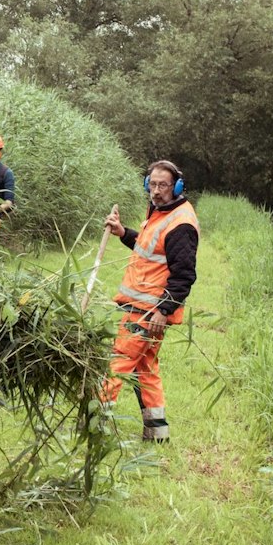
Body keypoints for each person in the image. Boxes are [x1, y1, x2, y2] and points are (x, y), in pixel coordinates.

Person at [99, 159, 198, 441]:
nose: (156, 191)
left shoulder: (181, 223)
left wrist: (163, 310)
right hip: (143, 307)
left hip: (148, 312)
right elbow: (148, 248)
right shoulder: (159, 212)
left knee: (117, 363)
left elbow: (184, 275)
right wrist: (123, 233)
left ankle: (94, 423)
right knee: (145, 368)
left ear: (177, 186)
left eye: (163, 185)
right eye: (152, 184)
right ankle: (157, 433)